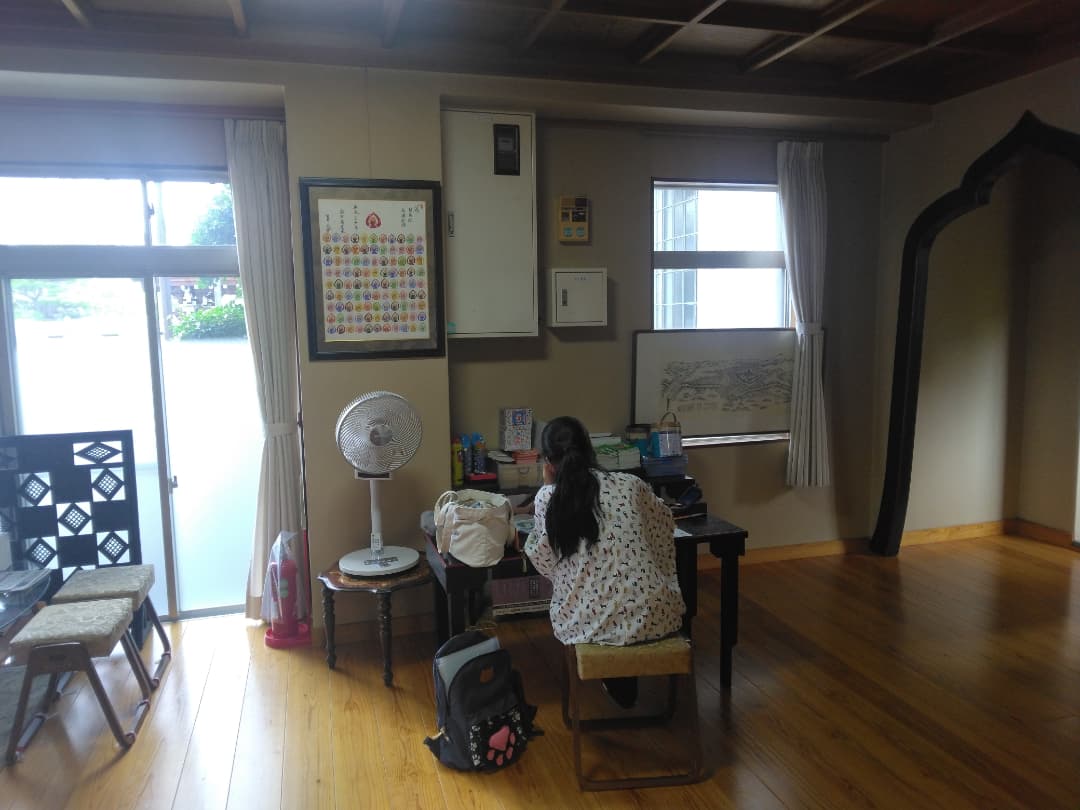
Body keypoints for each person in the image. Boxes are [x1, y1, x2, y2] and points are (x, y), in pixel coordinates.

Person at [524, 416, 685, 708]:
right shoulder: (630, 484)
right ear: (590, 450)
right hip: (656, 614)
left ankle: (616, 675)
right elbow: (664, 524)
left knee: (584, 594)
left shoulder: (549, 497)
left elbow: (545, 561)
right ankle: (624, 675)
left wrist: (548, 487)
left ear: (548, 463)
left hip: (588, 624)